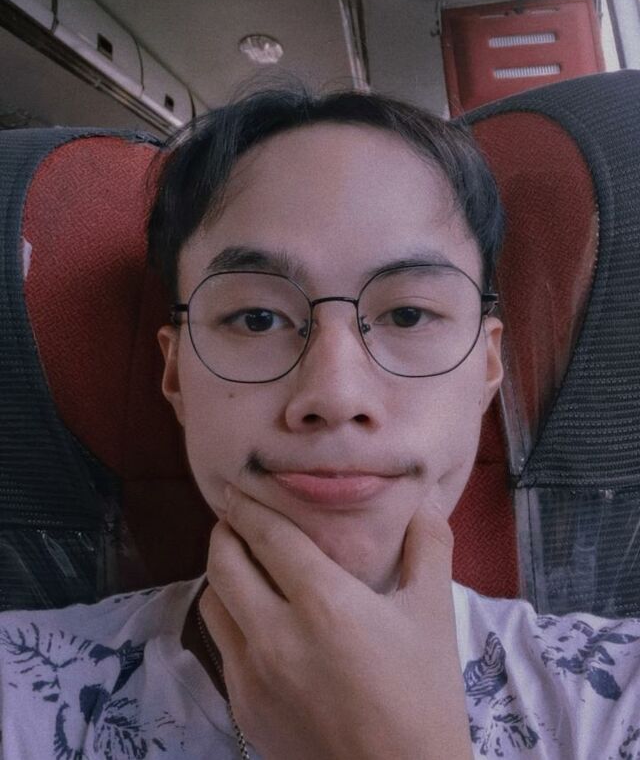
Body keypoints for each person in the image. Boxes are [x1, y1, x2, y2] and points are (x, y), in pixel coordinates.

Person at [1, 87, 640, 760]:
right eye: (256, 318)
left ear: (487, 368)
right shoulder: (22, 686)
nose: (334, 395)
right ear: (177, 374)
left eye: (408, 315)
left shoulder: (617, 694)